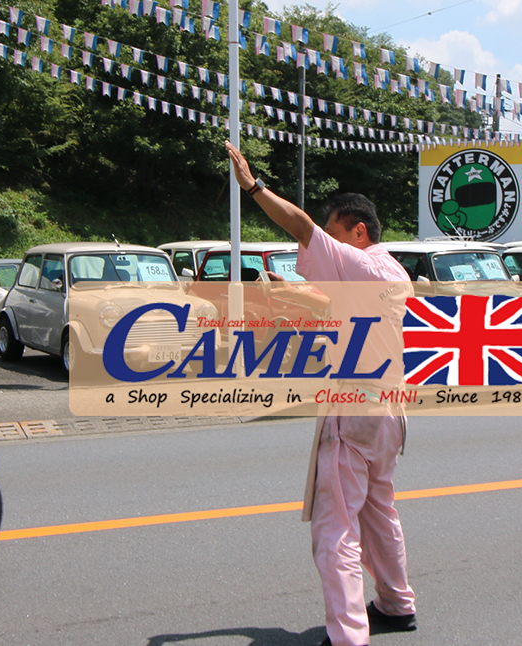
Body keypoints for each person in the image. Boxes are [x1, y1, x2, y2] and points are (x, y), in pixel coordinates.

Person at [226, 141, 417, 646]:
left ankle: (349, 636)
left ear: (357, 230)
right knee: (380, 509)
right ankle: (396, 604)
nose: (324, 242)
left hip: (353, 411)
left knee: (335, 531)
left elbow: (299, 225)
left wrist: (253, 186)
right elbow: (335, 304)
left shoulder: (356, 262)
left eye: (334, 233)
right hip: (392, 411)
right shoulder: (393, 271)